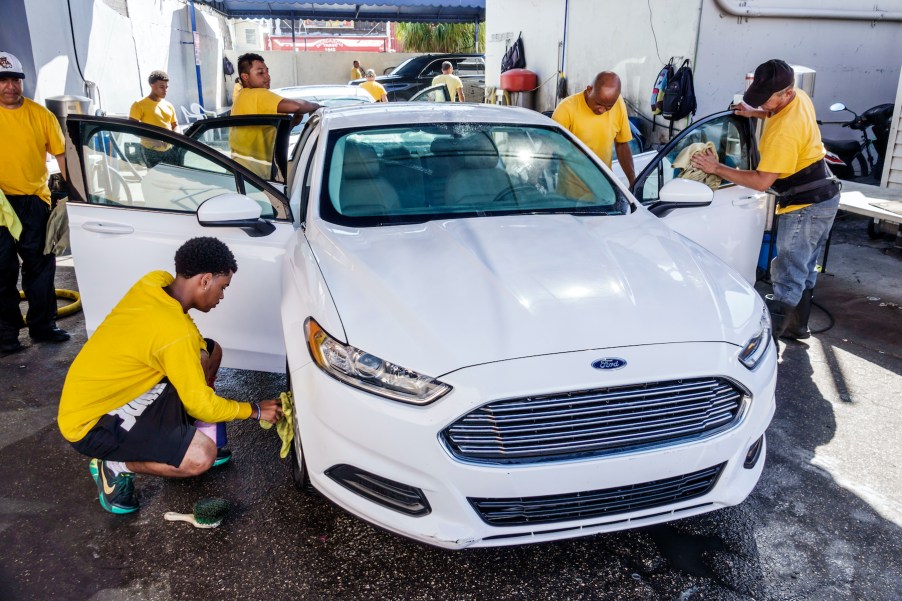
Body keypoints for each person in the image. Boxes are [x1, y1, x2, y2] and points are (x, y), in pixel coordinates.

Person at [58, 237, 283, 514]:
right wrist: (255, 410)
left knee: (210, 352)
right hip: (91, 423)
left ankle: (188, 435)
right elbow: (200, 403)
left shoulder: (156, 282)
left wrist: (199, 352)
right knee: (201, 457)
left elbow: (188, 335)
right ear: (205, 280)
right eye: (222, 288)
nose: (221, 297)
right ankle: (115, 465)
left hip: (117, 391)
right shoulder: (175, 333)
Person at [691, 59, 840, 341]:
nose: (763, 103)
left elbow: (761, 182)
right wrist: (756, 112)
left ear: (786, 92)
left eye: (766, 100)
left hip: (805, 207)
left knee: (787, 273)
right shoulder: (798, 98)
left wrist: (716, 168)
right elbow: (777, 112)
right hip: (825, 196)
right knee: (805, 267)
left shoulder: (785, 132)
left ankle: (764, 343)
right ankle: (797, 327)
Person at [0, 50, 70, 354]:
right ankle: (6, 335)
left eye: (15, 80)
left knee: (40, 268)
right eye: (3, 80)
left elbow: (61, 154)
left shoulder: (41, 114)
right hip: (0, 204)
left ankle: (43, 326)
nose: (10, 86)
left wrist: (72, 192)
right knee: (1, 271)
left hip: (34, 201)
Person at [230, 52, 321, 178]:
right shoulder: (257, 94)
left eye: (267, 71)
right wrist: (316, 106)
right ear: (245, 77)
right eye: (260, 73)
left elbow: (265, 134)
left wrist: (293, 123)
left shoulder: (242, 96)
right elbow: (297, 106)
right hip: (254, 175)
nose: (267, 76)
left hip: (241, 170)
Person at [552, 71, 635, 187]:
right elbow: (551, 148)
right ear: (589, 89)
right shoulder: (565, 109)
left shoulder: (618, 103)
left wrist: (634, 182)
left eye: (608, 107)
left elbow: (622, 144)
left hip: (603, 189)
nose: (602, 110)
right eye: (598, 104)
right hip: (571, 191)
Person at [128, 70, 178, 168]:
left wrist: (175, 137)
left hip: (169, 149)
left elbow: (175, 125)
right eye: (161, 87)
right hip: (150, 150)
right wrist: (155, 141)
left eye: (166, 87)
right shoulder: (139, 104)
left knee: (171, 180)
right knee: (155, 180)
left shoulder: (169, 105)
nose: (165, 90)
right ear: (152, 85)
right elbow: (132, 128)